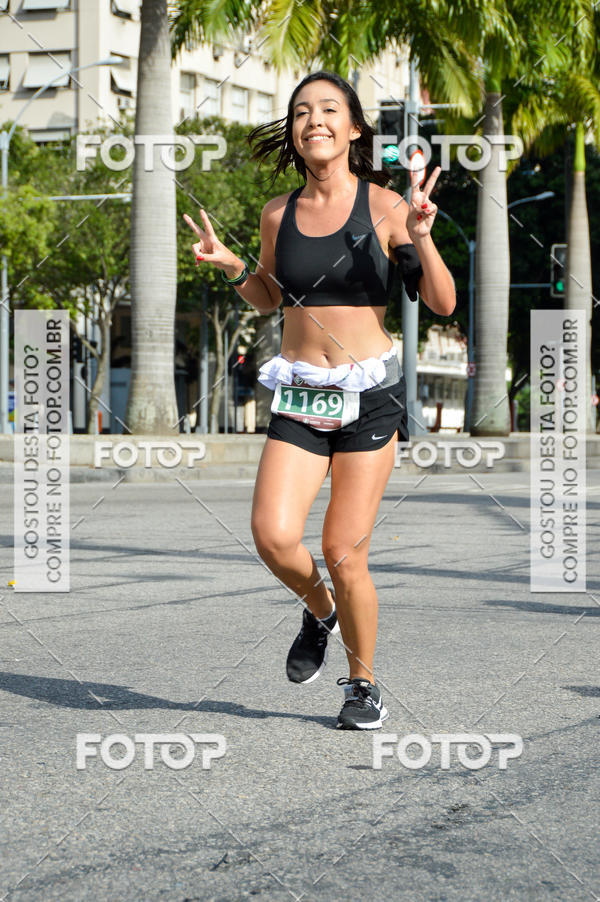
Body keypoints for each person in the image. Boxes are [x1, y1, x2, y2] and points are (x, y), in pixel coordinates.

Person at [184, 70, 455, 730]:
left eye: (330, 109)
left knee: (343, 550)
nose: (315, 120)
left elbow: (443, 303)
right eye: (302, 111)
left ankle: (363, 684)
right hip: (302, 393)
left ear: (353, 127)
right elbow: (271, 296)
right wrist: (234, 268)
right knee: (273, 537)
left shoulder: (388, 206)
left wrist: (421, 235)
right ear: (295, 131)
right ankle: (322, 610)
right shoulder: (277, 214)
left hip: (369, 396)